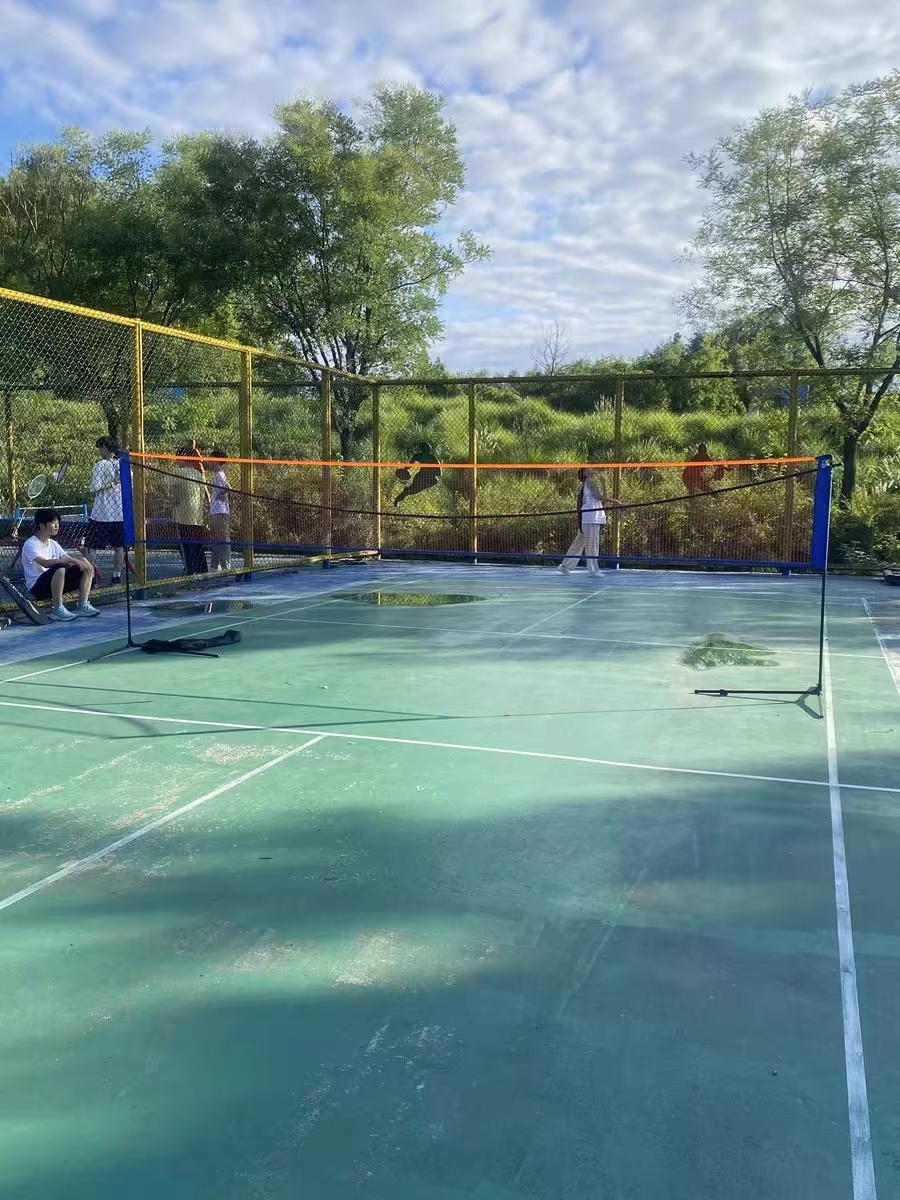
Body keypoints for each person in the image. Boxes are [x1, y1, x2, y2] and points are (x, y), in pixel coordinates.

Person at [22, 508, 99, 621]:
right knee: (60, 567)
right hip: (37, 588)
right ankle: (58, 609)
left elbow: (66, 557)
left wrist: (82, 560)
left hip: (55, 584)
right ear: (42, 525)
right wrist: (71, 560)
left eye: (58, 523)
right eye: (53, 523)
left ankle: (83, 605)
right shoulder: (30, 544)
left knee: (85, 567)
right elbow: (45, 563)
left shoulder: (53, 543)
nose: (57, 526)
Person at [85, 436, 130, 584]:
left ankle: (91, 576)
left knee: (91, 545)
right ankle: (117, 575)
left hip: (101, 513)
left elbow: (94, 488)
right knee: (119, 546)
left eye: (100, 447)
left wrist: (111, 484)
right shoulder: (124, 465)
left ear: (105, 447)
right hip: (119, 513)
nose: (99, 451)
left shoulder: (101, 464)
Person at [558, 468, 617, 576]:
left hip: (588, 518)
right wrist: (615, 501)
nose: (592, 469)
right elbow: (599, 497)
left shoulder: (589, 483)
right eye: (588, 469)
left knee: (578, 543)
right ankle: (593, 570)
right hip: (590, 518)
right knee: (592, 545)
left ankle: (564, 566)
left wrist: (604, 484)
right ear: (584, 473)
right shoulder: (590, 481)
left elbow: (601, 499)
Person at [170, 444, 209, 575]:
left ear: (183, 458)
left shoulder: (179, 472)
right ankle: (202, 570)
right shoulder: (198, 474)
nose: (176, 461)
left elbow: (166, 487)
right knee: (197, 544)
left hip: (183, 516)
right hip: (197, 515)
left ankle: (190, 570)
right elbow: (202, 494)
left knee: (186, 544)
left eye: (178, 458)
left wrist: (173, 499)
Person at [394, 441, 442, 506]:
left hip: (426, 478)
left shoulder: (423, 457)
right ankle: (399, 498)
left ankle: (401, 496)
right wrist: (404, 471)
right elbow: (439, 472)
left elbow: (439, 472)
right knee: (413, 490)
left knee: (413, 490)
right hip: (423, 477)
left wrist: (405, 470)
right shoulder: (431, 458)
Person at [208, 447, 232, 572]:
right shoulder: (217, 475)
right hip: (215, 511)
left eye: (211, 459)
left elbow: (228, 487)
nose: (209, 462)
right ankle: (214, 565)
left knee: (222, 539)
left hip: (220, 512)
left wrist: (222, 494)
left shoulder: (219, 475)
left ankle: (225, 567)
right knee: (216, 539)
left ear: (216, 461)